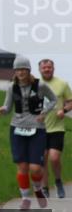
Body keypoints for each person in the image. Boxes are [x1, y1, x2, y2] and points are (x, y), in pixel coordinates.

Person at [0, 56, 58, 210]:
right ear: (15, 71)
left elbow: (53, 100)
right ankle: (25, 198)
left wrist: (44, 112)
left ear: (29, 70)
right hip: (17, 128)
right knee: (22, 166)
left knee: (35, 168)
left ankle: (37, 189)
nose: (20, 72)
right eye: (17, 69)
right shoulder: (12, 87)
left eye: (23, 69)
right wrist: (3, 110)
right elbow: (7, 106)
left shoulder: (40, 85)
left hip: (37, 129)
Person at [39, 59, 71, 198]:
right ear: (40, 69)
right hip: (39, 128)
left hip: (56, 127)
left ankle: (58, 181)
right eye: (44, 67)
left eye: (49, 67)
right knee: (43, 159)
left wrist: (64, 110)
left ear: (53, 68)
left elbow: (70, 102)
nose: (47, 69)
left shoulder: (62, 84)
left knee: (54, 158)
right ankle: (45, 187)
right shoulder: (35, 85)